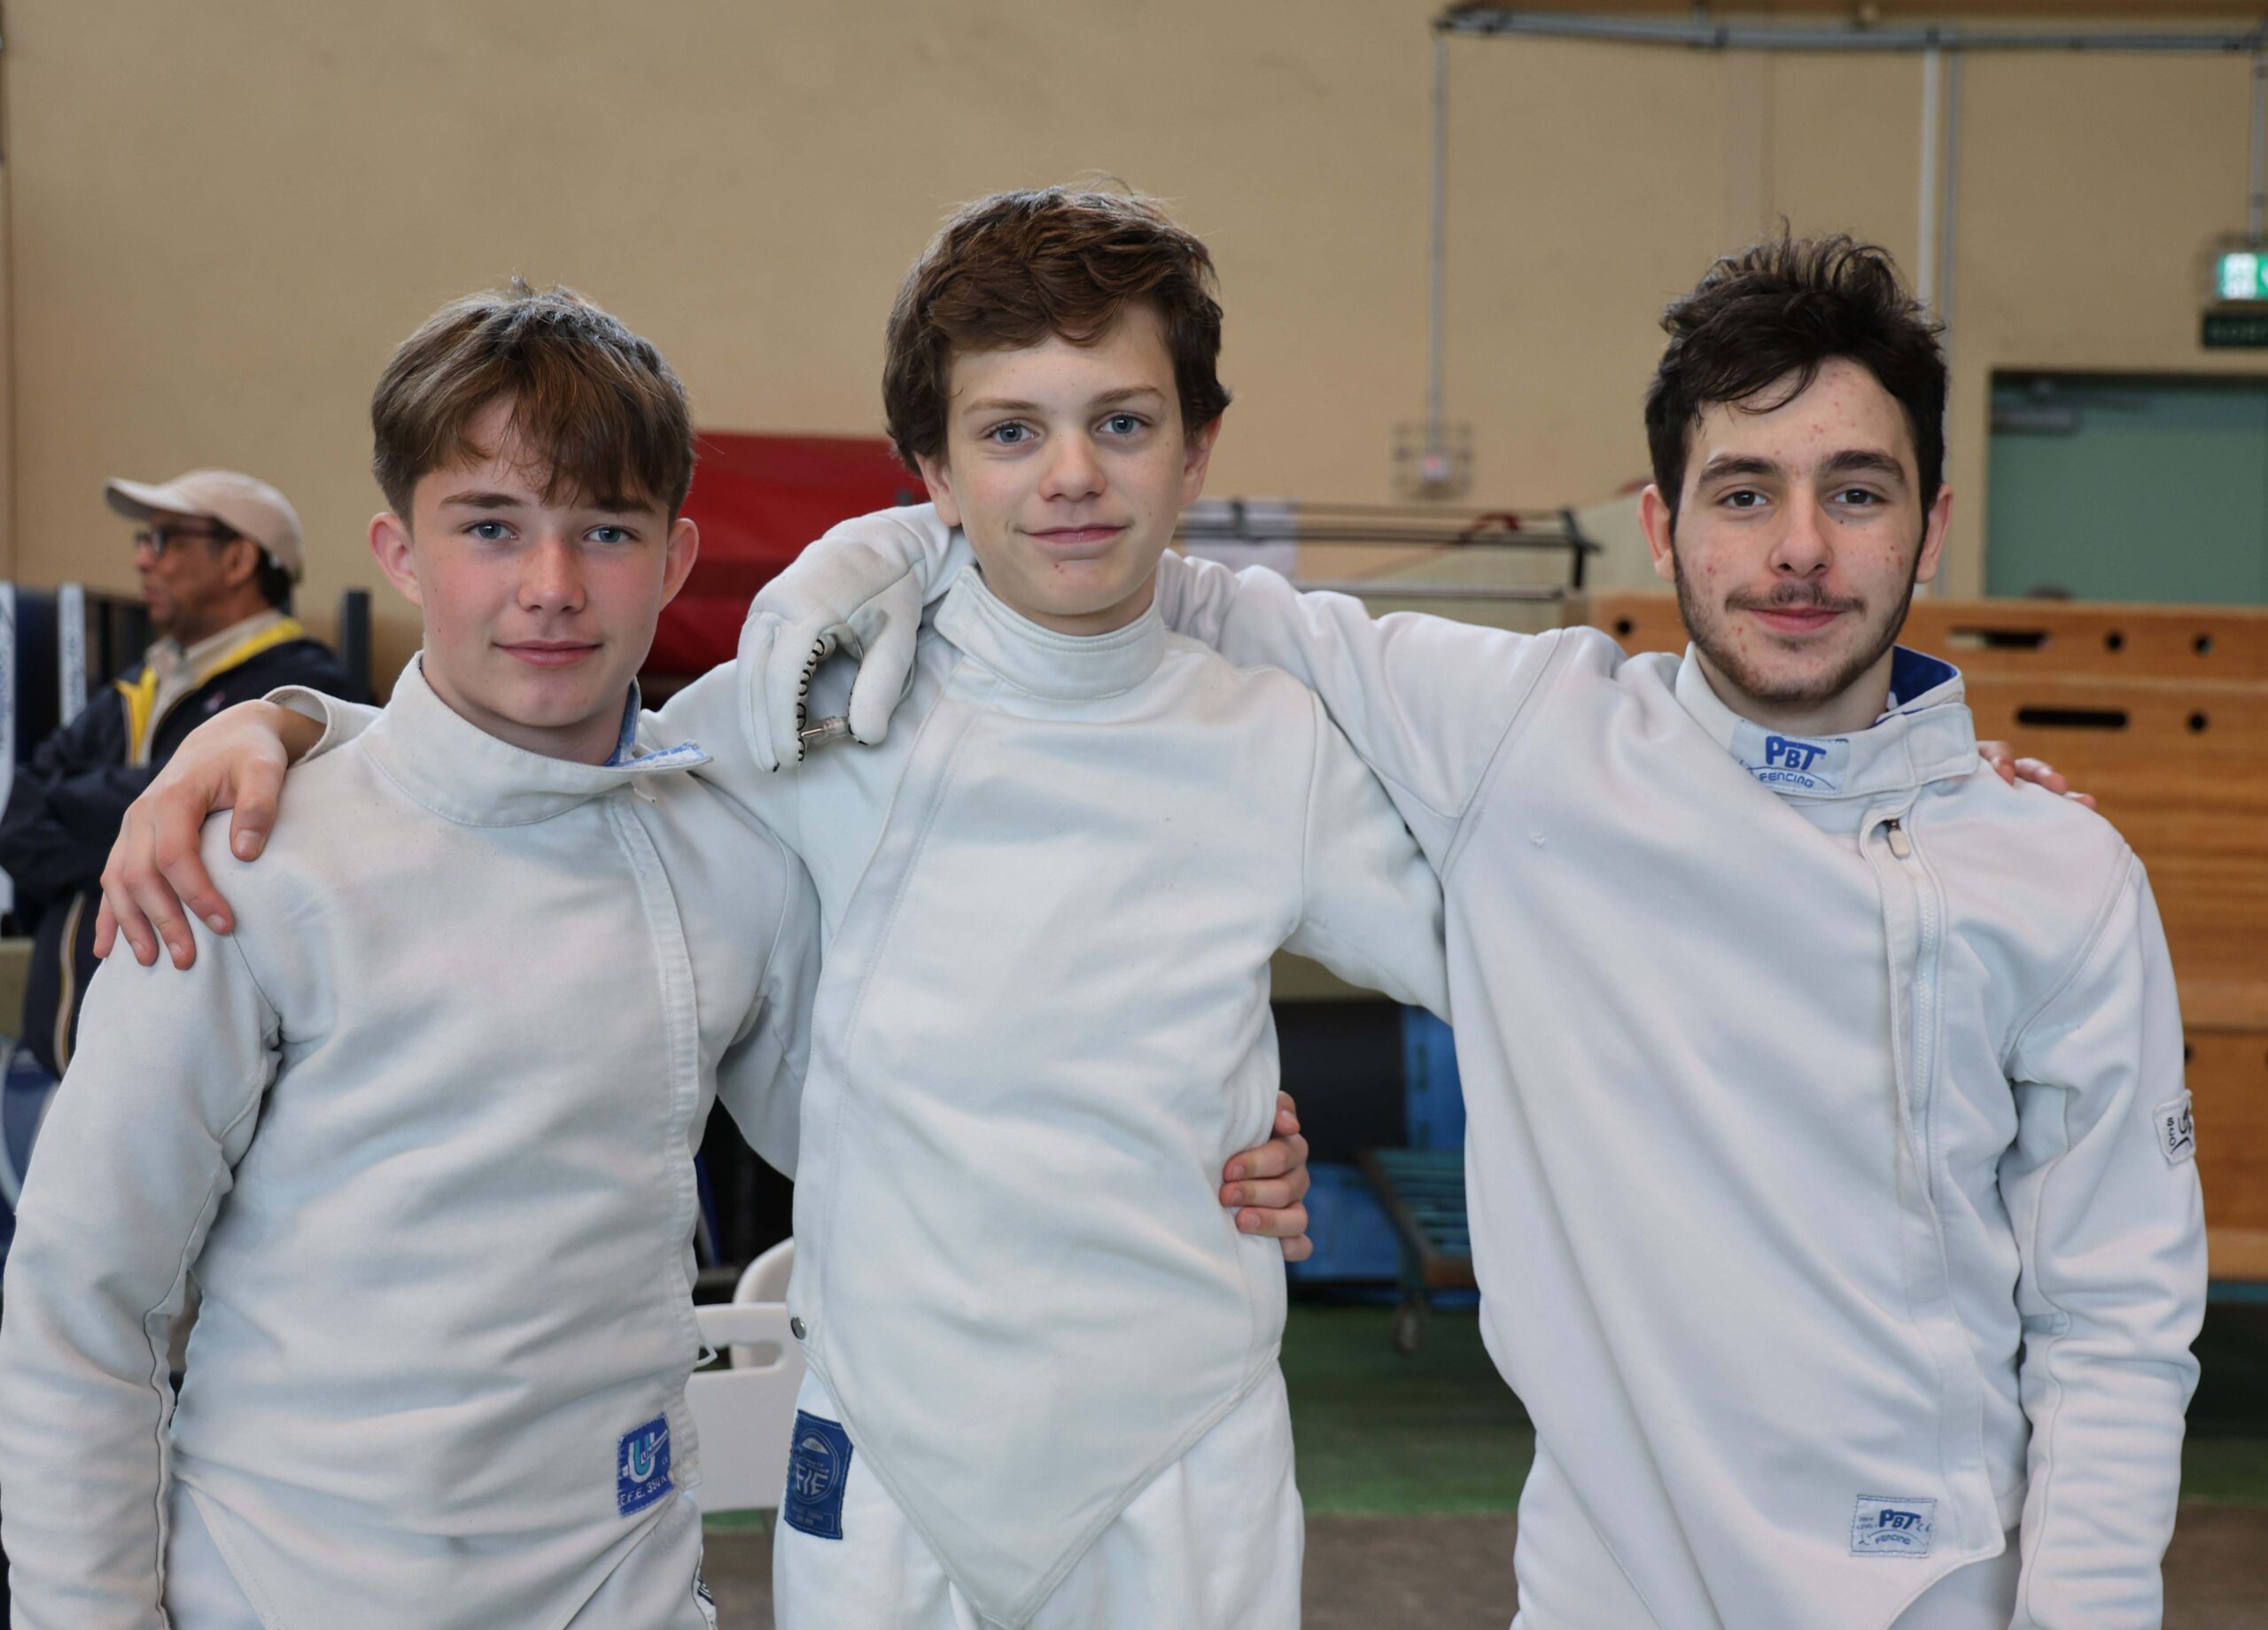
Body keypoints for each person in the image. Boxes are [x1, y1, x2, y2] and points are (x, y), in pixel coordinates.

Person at [687, 235, 2206, 1628]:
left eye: (1857, 493)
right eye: (1745, 494)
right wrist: (880, 556)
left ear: (1933, 527)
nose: (1799, 549)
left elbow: (2118, 1323)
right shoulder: (1533, 743)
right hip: (1604, 1588)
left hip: (1926, 1587)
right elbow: (1120, 584)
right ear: (1661, 523)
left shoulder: (2054, 876)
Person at [89, 197, 1379, 1630]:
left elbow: (902, 1099)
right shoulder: (243, 859)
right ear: (397, 551)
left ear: (675, 559)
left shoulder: (719, 822)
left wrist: (1193, 1132)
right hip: (298, 1588)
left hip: (643, 1582)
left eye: (605, 531)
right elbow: (85, 1303)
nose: (550, 587)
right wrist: (282, 725)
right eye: (490, 528)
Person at [0, 470, 348, 1081]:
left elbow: (218, 845)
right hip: (65, 1065)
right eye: (144, 540)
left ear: (238, 560)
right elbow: (17, 820)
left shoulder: (300, 694)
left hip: (187, 1077)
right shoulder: (140, 682)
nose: (142, 559)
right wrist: (138, 823)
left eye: (164, 540)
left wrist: (83, 811)